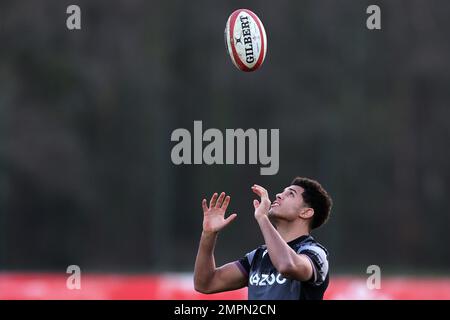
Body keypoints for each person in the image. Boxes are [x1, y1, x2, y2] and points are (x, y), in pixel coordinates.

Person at [193, 177, 333, 300]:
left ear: (306, 212)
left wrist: (262, 218)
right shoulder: (258, 256)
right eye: (282, 191)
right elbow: (205, 283)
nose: (278, 195)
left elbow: (287, 265)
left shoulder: (315, 252)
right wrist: (208, 235)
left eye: (290, 194)